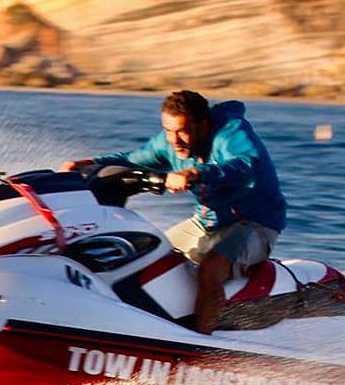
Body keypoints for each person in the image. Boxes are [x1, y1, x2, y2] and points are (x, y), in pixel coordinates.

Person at [61, 90, 286, 334]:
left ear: (204, 125)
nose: (174, 140)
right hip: (206, 222)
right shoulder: (168, 143)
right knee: (145, 256)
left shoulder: (230, 134)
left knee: (211, 268)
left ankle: (203, 348)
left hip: (255, 223)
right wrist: (90, 163)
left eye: (182, 131)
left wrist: (194, 173)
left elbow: (246, 165)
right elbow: (134, 159)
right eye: (168, 131)